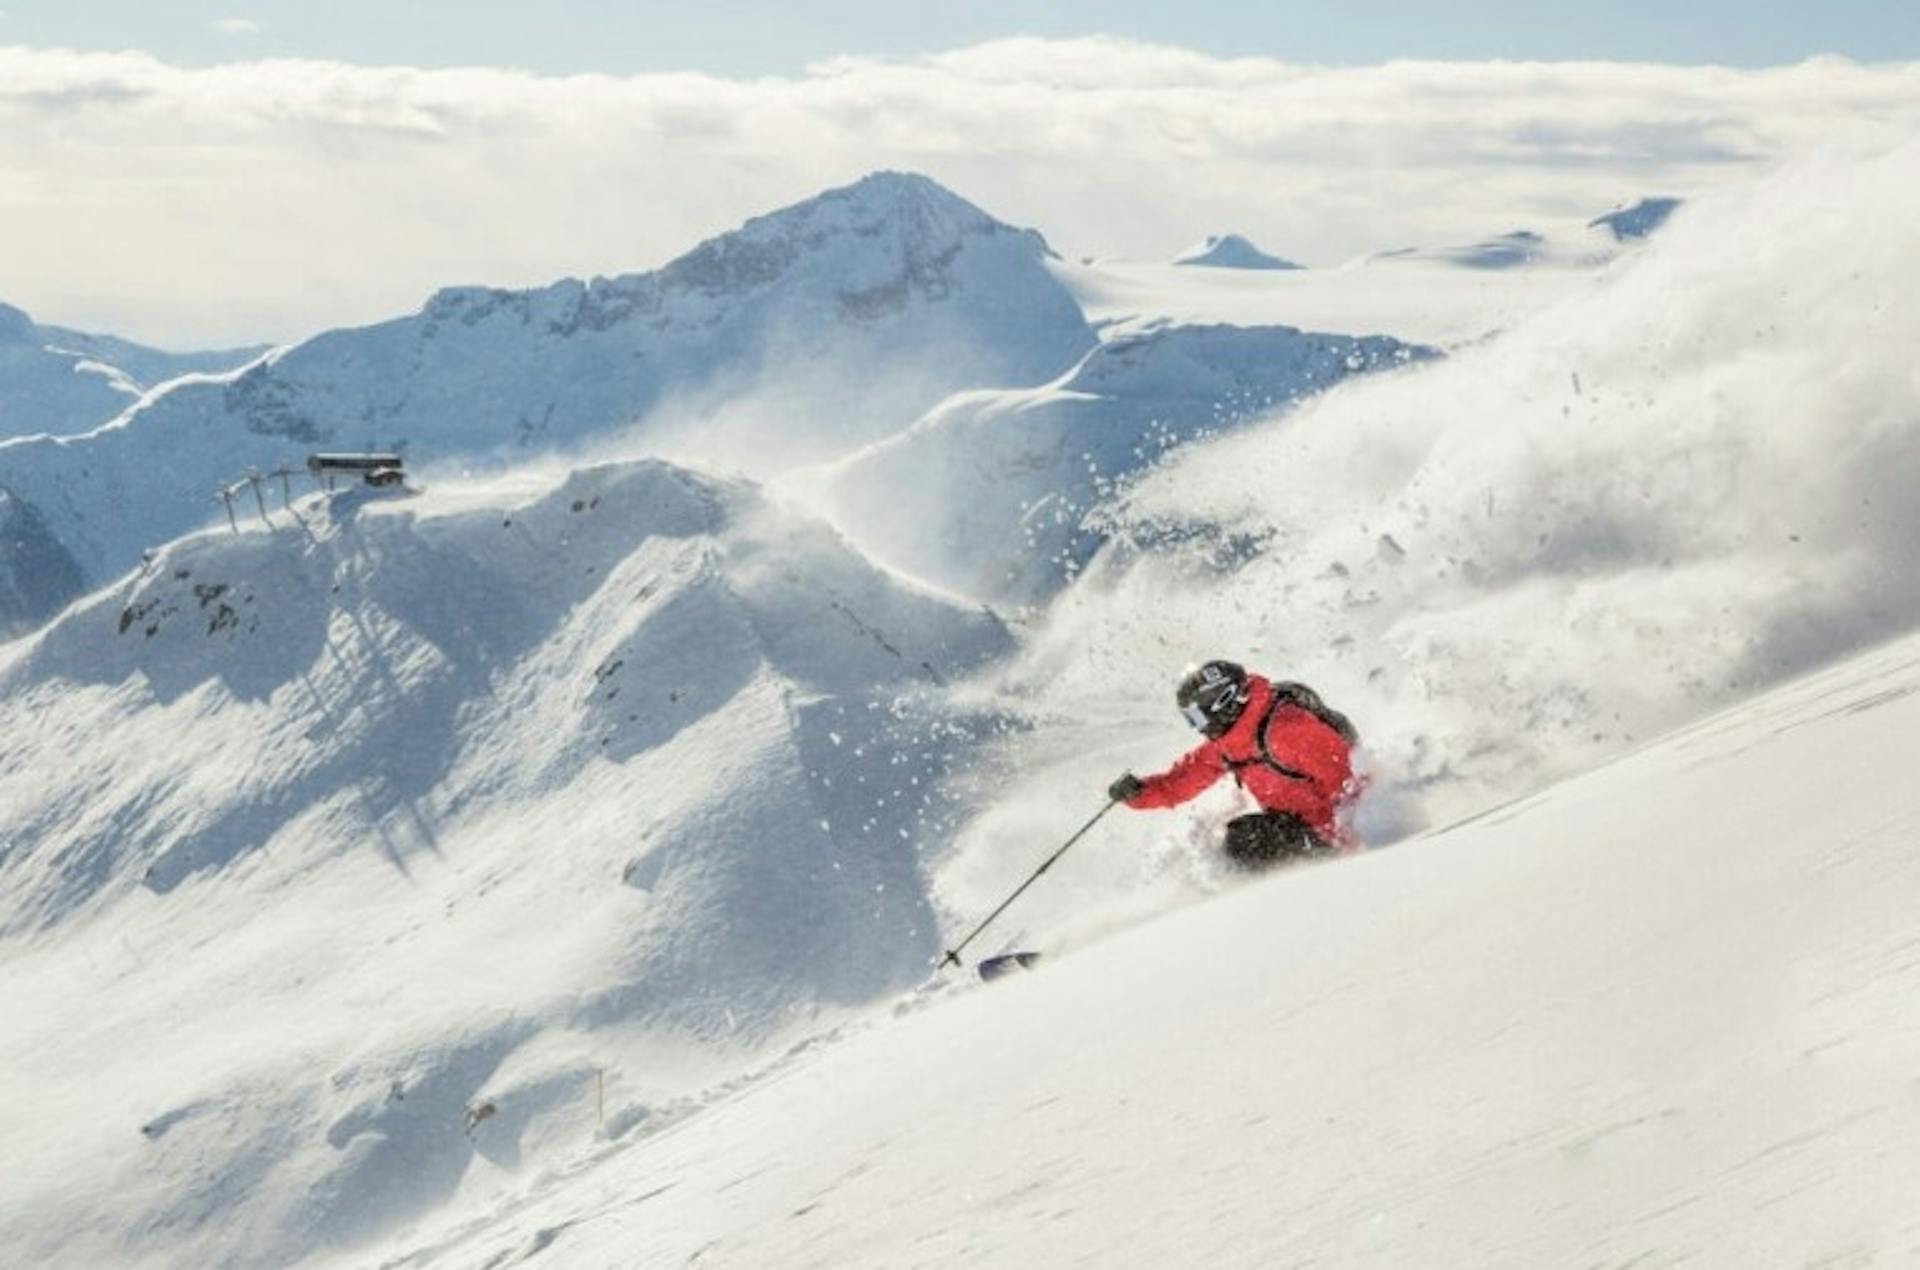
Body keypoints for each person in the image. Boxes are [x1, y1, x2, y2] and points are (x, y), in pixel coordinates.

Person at [1109, 660, 1362, 870]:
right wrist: (1139, 793)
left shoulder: (1288, 731)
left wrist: (1352, 846)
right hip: (1296, 824)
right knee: (1243, 840)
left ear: (1223, 704)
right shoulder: (1231, 743)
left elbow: (1353, 780)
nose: (1198, 728)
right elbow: (1182, 781)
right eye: (1191, 719)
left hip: (1333, 833)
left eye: (1197, 717)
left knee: (1246, 840)